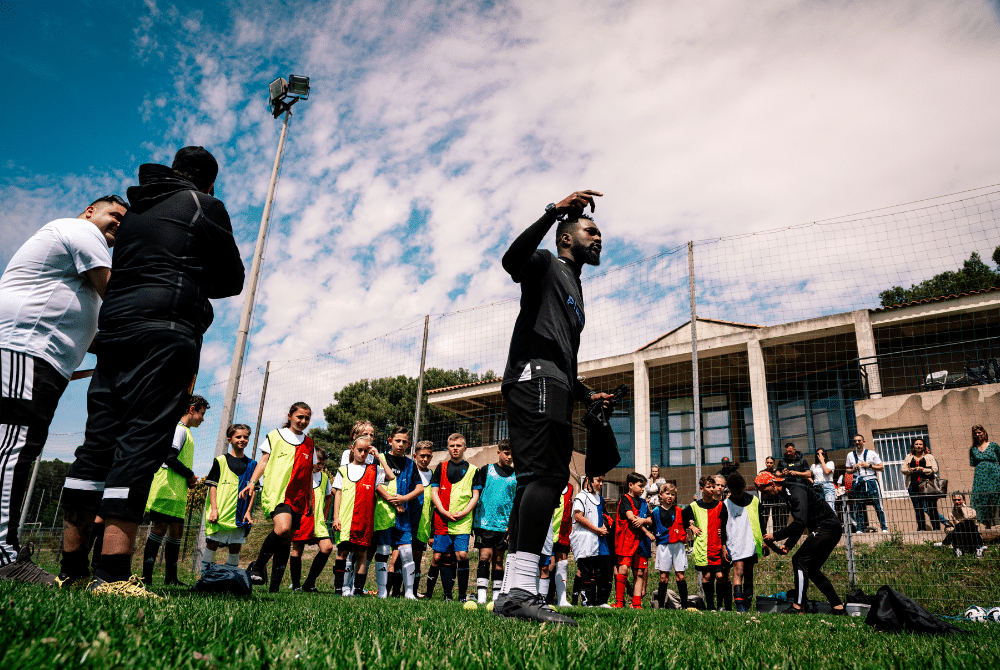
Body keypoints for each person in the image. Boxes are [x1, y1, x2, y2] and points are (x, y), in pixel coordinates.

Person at [58, 147, 244, 596]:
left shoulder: (135, 212)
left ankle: (71, 570)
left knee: (98, 442)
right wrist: (195, 274)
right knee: (140, 440)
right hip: (168, 331)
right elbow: (234, 279)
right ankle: (113, 576)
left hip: (117, 329)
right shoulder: (205, 205)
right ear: (210, 182)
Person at [495, 189, 612, 626]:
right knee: (546, 475)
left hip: (558, 381)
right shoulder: (546, 263)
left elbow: (566, 352)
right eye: (590, 230)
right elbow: (510, 261)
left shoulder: (576, 288)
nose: (598, 237)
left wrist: (586, 395)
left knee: (534, 481)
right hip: (534, 377)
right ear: (567, 238)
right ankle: (525, 591)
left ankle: (510, 594)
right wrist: (553, 212)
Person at [0, 194, 127, 584]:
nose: (118, 225)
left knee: (18, 445)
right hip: (26, 351)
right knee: (14, 447)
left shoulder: (74, 265)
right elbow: (116, 296)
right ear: (91, 211)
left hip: (40, 360)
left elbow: (86, 331)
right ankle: (3, 557)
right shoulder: (79, 230)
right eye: (114, 215)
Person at [242, 402, 317, 592]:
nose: (303, 421)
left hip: (298, 497)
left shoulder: (309, 443)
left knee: (286, 541)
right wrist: (252, 482)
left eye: (307, 418)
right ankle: (258, 565)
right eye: (299, 416)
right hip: (278, 493)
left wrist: (309, 498)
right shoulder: (275, 436)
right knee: (282, 529)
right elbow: (264, 461)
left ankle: (274, 586)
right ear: (290, 415)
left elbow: (308, 474)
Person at [757, 471, 847, 615]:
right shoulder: (788, 493)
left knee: (799, 560)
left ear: (772, 484)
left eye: (765, 491)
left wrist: (775, 536)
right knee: (810, 569)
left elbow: (800, 522)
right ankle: (838, 607)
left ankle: (797, 607)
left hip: (827, 528)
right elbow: (800, 523)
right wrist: (789, 544)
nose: (765, 496)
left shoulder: (794, 491)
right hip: (828, 529)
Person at [141, 395, 209, 585]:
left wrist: (187, 480)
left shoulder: (186, 431)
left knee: (177, 530)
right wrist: (189, 475)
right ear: (192, 409)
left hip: (177, 491)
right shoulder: (179, 430)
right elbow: (169, 457)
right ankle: (146, 576)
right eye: (201, 413)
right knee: (160, 528)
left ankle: (171, 578)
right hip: (166, 488)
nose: (202, 418)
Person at [332, 435, 393, 596]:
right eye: (359, 450)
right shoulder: (343, 470)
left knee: (361, 554)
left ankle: (357, 589)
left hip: (364, 520)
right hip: (345, 520)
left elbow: (391, 476)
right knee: (342, 553)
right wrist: (336, 517)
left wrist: (379, 457)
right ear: (352, 449)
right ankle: (339, 588)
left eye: (366, 451)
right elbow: (337, 494)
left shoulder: (373, 470)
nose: (362, 454)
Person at [427, 433, 481, 602]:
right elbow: (434, 492)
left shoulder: (473, 470)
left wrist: (464, 512)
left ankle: (462, 595)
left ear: (465, 448)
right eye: (452, 446)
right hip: (443, 519)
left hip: (463, 520)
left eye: (458, 445)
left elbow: (475, 496)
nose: (455, 448)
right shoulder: (440, 467)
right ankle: (447, 595)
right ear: (447, 448)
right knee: (442, 556)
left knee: (462, 555)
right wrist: (443, 511)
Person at [202, 424, 256, 573]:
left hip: (240, 515)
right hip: (221, 512)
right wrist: (214, 509)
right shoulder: (220, 461)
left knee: (235, 547)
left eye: (245, 437)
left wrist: (249, 511)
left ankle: (231, 576)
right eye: (238, 437)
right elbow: (212, 486)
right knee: (212, 542)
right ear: (229, 439)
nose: (242, 440)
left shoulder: (252, 465)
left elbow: (253, 491)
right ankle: (204, 575)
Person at [471, 439, 516, 604]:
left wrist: (512, 527)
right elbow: (475, 496)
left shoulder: (516, 475)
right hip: (484, 523)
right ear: (499, 452)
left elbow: (516, 503)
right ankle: (482, 597)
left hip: (504, 526)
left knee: (499, 560)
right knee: (485, 556)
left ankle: (497, 597)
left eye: (512, 454)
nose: (509, 457)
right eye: (506, 453)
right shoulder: (486, 470)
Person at [379, 427, 422, 598]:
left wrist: (403, 499)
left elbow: (419, 488)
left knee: (406, 553)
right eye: (398, 440)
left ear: (409, 444)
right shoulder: (381, 459)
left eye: (404, 442)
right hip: (383, 514)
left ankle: (409, 592)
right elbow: (377, 485)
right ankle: (382, 591)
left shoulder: (411, 463)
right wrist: (392, 500)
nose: (401, 444)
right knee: (382, 551)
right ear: (390, 441)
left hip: (404, 516)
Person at [719, 472, 767, 613]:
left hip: (751, 543)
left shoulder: (754, 500)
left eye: (739, 491)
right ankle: (739, 607)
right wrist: (723, 546)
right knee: (738, 571)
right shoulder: (726, 504)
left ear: (744, 488)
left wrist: (764, 540)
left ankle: (747, 604)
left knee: (749, 573)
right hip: (735, 543)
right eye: (733, 492)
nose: (737, 494)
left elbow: (761, 522)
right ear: (729, 491)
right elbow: (722, 526)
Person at [288, 447, 333, 592]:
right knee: (297, 550)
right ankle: (295, 585)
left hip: (318, 520)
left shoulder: (324, 478)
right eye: (318, 463)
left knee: (327, 547)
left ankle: (309, 583)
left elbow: (328, 497)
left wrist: (325, 515)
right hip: (302, 518)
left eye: (323, 464)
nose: (321, 467)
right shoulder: (301, 474)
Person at [613, 472, 654, 609]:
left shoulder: (643, 502)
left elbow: (649, 520)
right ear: (630, 485)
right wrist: (647, 531)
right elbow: (631, 518)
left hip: (641, 543)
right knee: (623, 569)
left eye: (644, 486)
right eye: (640, 486)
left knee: (640, 572)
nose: (643, 489)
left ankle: (636, 603)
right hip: (627, 540)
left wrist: (644, 520)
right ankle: (619, 602)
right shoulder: (625, 499)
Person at [570, 475, 611, 607]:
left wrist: (603, 527)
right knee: (587, 571)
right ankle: (587, 601)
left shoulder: (600, 499)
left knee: (604, 569)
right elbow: (578, 516)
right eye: (599, 481)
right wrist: (596, 529)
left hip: (600, 539)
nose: (601, 484)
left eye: (603, 481)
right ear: (588, 480)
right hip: (586, 539)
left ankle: (602, 601)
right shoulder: (581, 497)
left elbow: (600, 516)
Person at [684, 474, 724, 611]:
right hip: (702, 546)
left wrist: (723, 532)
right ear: (701, 488)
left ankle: (721, 605)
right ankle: (710, 606)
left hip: (718, 546)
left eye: (713, 487)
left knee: (720, 576)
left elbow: (728, 523)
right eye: (708, 487)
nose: (712, 489)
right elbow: (683, 517)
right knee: (707, 576)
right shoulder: (694, 506)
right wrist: (691, 526)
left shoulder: (720, 505)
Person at [650, 482, 688, 610]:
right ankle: (661, 606)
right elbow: (653, 526)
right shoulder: (655, 511)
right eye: (667, 493)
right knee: (663, 577)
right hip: (664, 546)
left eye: (673, 494)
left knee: (680, 576)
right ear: (661, 495)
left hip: (678, 546)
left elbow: (688, 523)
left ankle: (684, 606)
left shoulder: (680, 511)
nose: (670, 496)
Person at [901, 438, 947, 532]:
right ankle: (921, 529)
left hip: (927, 484)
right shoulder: (909, 457)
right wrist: (911, 470)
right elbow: (903, 470)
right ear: (913, 446)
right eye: (916, 444)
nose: (918, 446)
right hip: (913, 485)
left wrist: (923, 469)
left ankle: (936, 529)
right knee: (918, 509)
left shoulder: (929, 456)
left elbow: (935, 469)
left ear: (924, 446)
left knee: (931, 508)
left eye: (920, 444)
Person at [845, 434, 888, 533]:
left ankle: (884, 528)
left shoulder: (871, 453)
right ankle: (859, 528)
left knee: (878, 505)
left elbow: (881, 467)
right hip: (857, 481)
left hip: (871, 481)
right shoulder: (850, 455)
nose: (857, 443)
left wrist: (868, 465)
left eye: (859, 440)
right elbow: (847, 470)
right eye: (855, 441)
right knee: (858, 506)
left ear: (863, 442)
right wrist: (853, 469)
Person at [411, 440, 434, 597]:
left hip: (423, 524)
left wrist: (432, 532)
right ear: (415, 456)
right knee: (399, 557)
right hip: (407, 522)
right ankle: (394, 589)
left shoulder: (433, 475)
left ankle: (413, 590)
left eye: (428, 456)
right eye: (422, 456)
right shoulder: (410, 472)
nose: (425, 459)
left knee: (417, 558)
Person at [969, 425, 1000, 529]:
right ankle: (986, 526)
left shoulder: (994, 446)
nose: (977, 435)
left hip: (994, 475)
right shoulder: (973, 449)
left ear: (984, 433)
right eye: (975, 434)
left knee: (995, 497)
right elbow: (973, 463)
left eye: (979, 432)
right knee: (982, 499)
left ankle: (997, 524)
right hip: (980, 477)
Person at [940, 494, 987, 558]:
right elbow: (947, 527)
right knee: (960, 525)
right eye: (954, 500)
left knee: (968, 522)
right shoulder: (951, 514)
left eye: (959, 500)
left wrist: (964, 508)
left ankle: (979, 549)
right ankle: (958, 550)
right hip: (960, 538)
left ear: (964, 500)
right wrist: (955, 529)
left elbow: (967, 517)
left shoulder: (972, 511)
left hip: (972, 538)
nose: (957, 502)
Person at [758, 456, 785, 534]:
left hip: (776, 499)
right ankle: (763, 537)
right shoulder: (761, 473)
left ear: (774, 463)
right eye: (767, 462)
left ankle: (775, 537)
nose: (769, 464)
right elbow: (758, 485)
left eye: (771, 463)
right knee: (764, 519)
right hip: (765, 499)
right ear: (765, 463)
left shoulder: (777, 473)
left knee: (776, 519)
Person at [810, 448, 836, 512]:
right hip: (817, 486)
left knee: (830, 508)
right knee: (820, 508)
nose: (820, 455)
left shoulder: (830, 463)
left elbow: (826, 471)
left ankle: (832, 521)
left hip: (828, 485)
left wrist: (822, 461)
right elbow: (808, 475)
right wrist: (813, 482)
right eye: (818, 454)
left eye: (822, 454)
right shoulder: (814, 466)